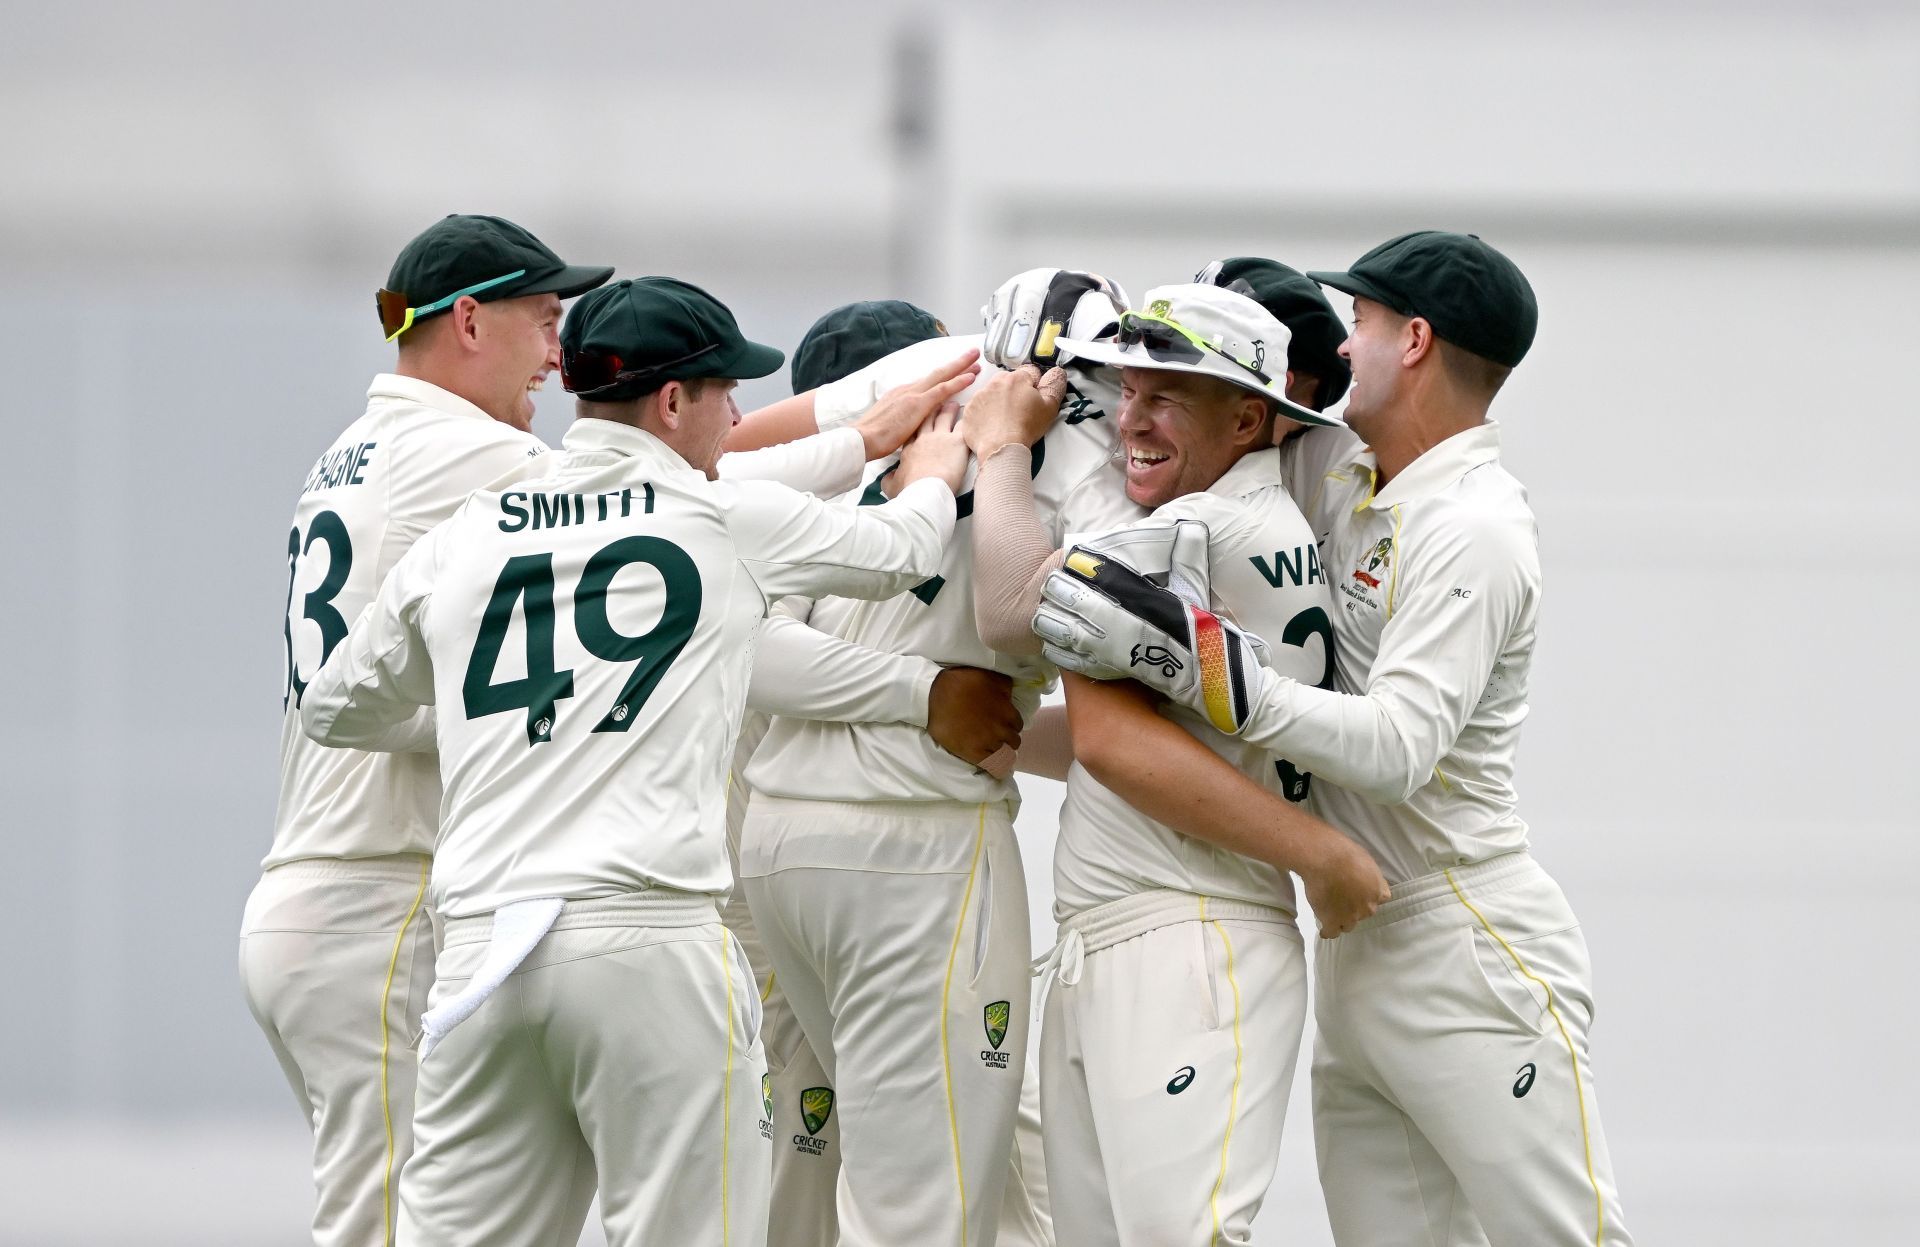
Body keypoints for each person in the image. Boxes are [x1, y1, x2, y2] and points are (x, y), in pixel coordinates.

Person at [298, 275, 971, 1247]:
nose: (738, 414)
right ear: (670, 401)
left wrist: (521, 721)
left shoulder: (470, 531)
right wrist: (939, 461)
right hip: (645, 938)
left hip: (484, 954)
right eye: (725, 391)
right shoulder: (714, 521)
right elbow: (900, 549)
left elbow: (335, 708)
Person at [1033, 232, 1636, 1246]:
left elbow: (1401, 745)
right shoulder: (1348, 469)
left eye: (1357, 325)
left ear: (1413, 339)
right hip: (1355, 948)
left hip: (1464, 934)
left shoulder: (1473, 526)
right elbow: (1205, 415)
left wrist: (1211, 672)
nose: (1340, 349)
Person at [962, 282, 1388, 1245]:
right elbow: (1154, 740)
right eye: (1129, 388)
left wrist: (999, 448)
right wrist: (1001, 736)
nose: (1132, 419)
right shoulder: (1232, 518)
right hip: (1131, 934)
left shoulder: (1203, 526)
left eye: (1170, 394)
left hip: (1188, 941)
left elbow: (1010, 603)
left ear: (1248, 416)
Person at [738, 269, 1137, 1247]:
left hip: (777, 854)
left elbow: (749, 622)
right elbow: (1018, 616)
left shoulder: (904, 399)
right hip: (913, 854)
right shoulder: (1089, 460)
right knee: (925, 1210)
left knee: (870, 1187)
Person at [241, 212, 611, 1247]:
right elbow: (661, 494)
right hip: (376, 901)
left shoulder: (353, 449)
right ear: (468, 321)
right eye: (544, 319)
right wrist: (866, 423)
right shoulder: (466, 451)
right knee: (396, 1223)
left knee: (398, 1211)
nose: (559, 353)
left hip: (319, 894)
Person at [722, 298, 1033, 1247]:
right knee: (929, 1203)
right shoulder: (977, 479)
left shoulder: (771, 495)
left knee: (800, 1199)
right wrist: (926, 690)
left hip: (765, 881)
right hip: (890, 867)